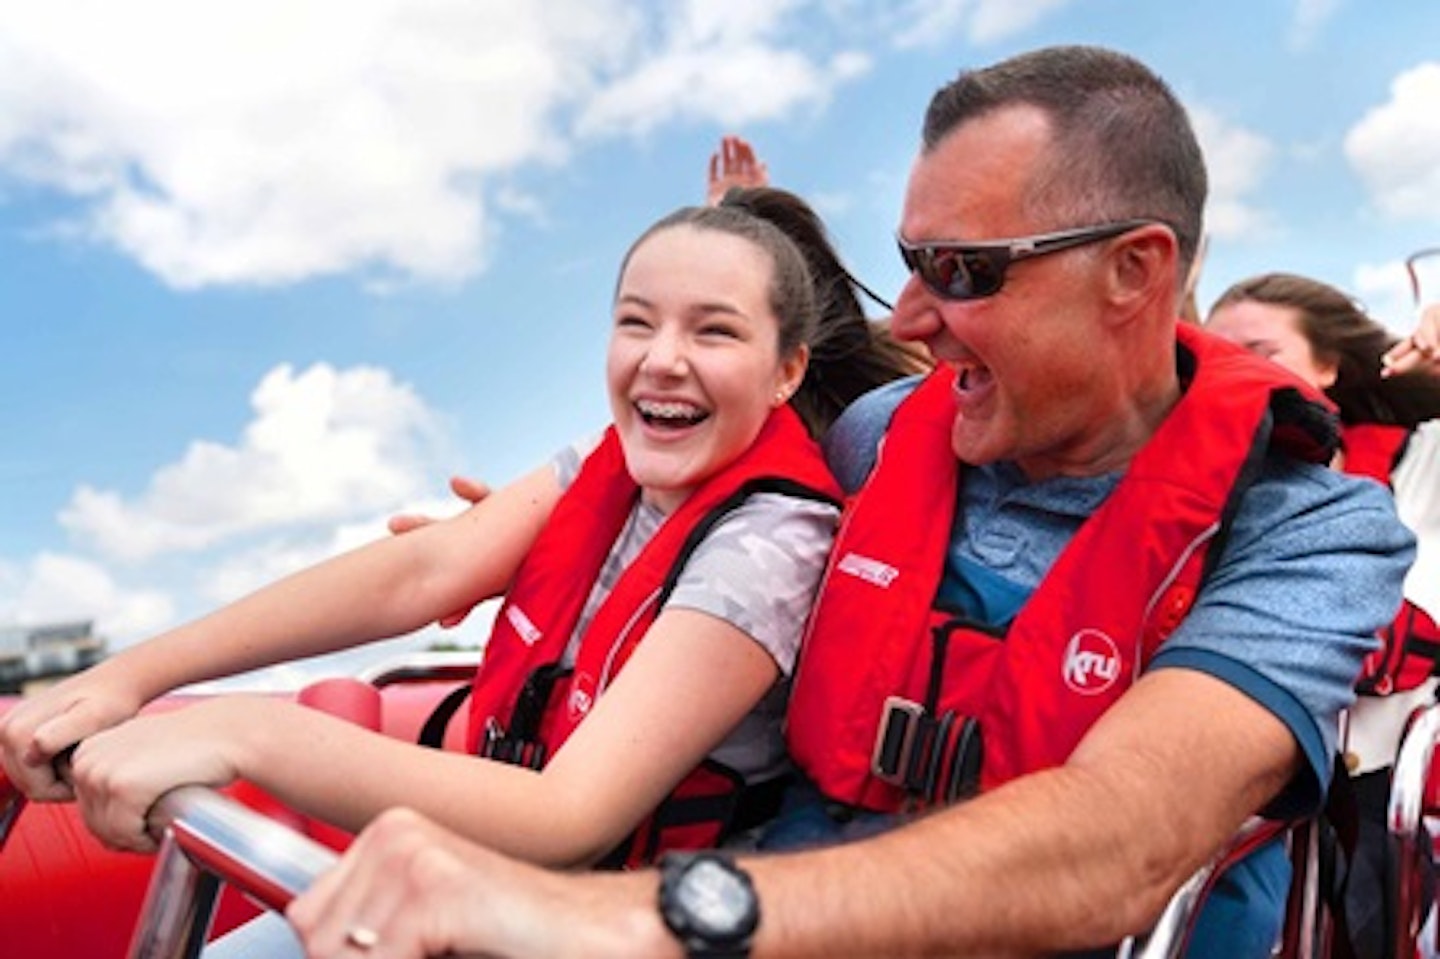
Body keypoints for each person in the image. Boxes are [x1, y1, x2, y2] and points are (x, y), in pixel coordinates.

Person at [283, 44, 1416, 959]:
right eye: (910, 262)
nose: (914, 317)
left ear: (1134, 269)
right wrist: (544, 559)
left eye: (965, 272)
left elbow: (1119, 842)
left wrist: (635, 918)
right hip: (772, 894)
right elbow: (715, 490)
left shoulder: (1312, 532)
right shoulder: (882, 435)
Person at [0, 189, 918, 932]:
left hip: (596, 917)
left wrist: (250, 732)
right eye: (637, 323)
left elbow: (567, 817)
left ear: (788, 370)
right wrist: (132, 673)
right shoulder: (599, 469)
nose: (662, 360)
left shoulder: (774, 544)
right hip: (471, 887)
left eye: (713, 332)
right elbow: (420, 572)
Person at [1207, 274, 1440, 958]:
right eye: (1215, 353)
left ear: (1327, 366)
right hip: (1232, 804)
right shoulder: (1172, 487)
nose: (1238, 371)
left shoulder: (1417, 460)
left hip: (1386, 804)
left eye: (1261, 349)